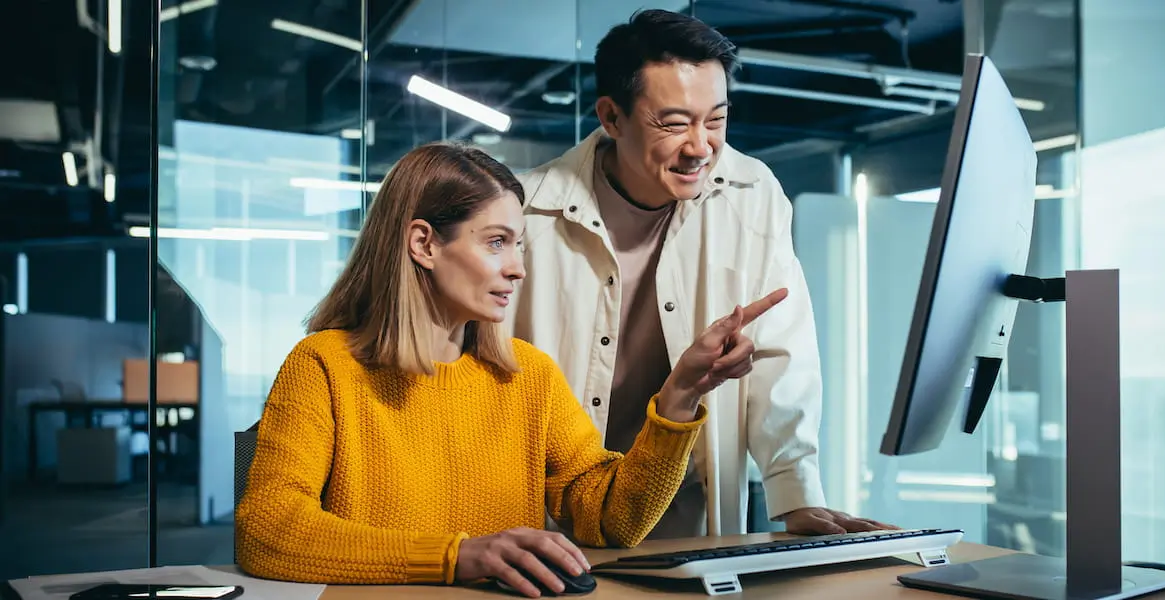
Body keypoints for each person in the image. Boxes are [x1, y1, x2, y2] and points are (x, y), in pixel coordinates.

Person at [234, 142, 786, 597]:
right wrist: (457, 556)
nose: (518, 268)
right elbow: (269, 531)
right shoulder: (324, 366)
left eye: (518, 244)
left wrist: (680, 393)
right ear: (423, 243)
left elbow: (611, 519)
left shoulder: (528, 375)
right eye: (496, 242)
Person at [512, 9, 895, 539]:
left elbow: (782, 353)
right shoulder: (526, 210)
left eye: (715, 120)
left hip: (683, 509)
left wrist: (796, 494)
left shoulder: (752, 192)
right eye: (673, 124)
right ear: (611, 117)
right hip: (548, 515)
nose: (700, 147)